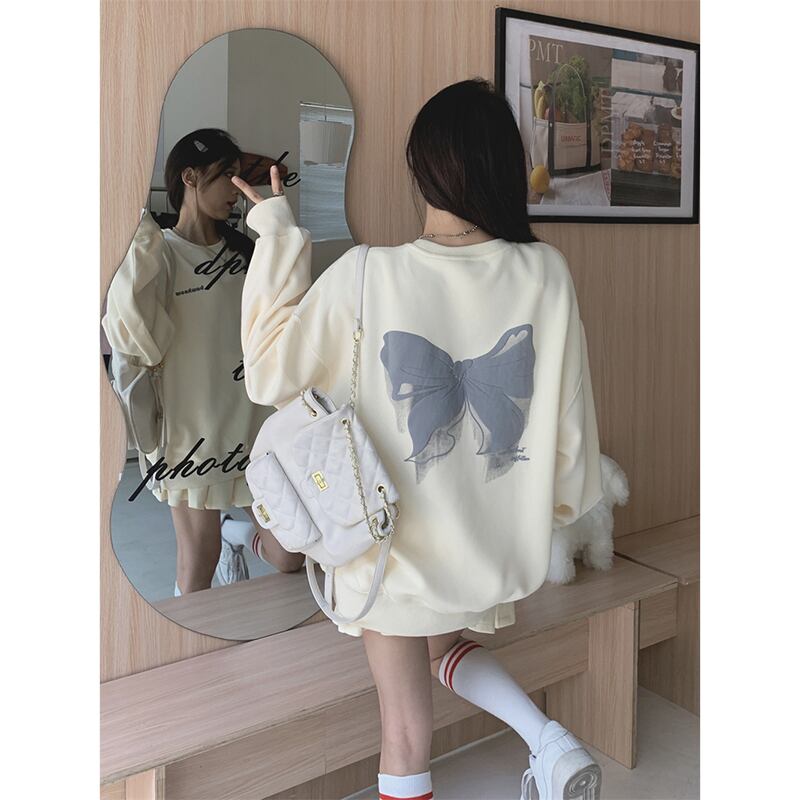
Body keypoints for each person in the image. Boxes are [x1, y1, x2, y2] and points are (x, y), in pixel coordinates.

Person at [234, 80, 605, 800]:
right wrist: (542, 514)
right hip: (489, 549)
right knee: (442, 642)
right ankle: (549, 742)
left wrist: (276, 233)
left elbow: (267, 373)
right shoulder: (547, 273)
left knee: (404, 733)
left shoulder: (367, 274)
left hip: (391, 551)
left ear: (420, 169)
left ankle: (543, 744)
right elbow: (570, 418)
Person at [102, 128, 304, 597]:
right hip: (191, 433)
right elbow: (133, 333)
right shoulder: (157, 253)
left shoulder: (246, 251)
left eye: (238, 176)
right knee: (198, 566)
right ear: (190, 177)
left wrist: (276, 226)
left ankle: (237, 533)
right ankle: (186, 647)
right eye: (225, 175)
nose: (235, 188)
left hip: (253, 426)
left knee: (290, 555)